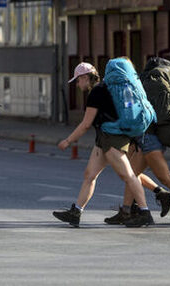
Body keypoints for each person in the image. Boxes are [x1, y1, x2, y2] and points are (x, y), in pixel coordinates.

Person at [53, 60, 154, 228]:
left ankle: (145, 213)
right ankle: (76, 212)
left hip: (112, 139)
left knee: (128, 176)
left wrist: (68, 141)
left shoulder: (96, 93)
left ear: (85, 78)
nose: (77, 84)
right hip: (104, 138)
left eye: (78, 80)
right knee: (90, 175)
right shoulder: (105, 89)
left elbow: (86, 124)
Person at [109, 57, 170, 226]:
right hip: (153, 135)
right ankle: (125, 211)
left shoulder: (144, 82)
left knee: (164, 177)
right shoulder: (163, 83)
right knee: (132, 175)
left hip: (150, 138)